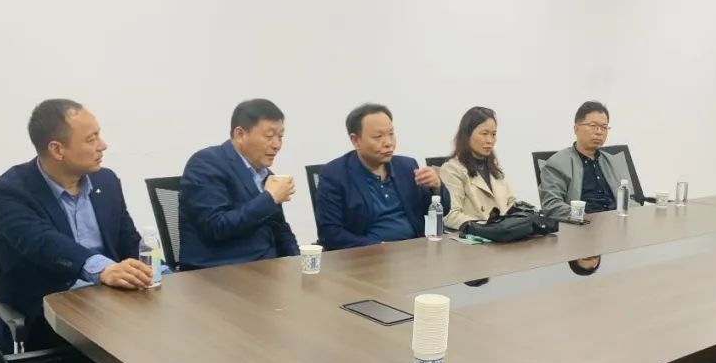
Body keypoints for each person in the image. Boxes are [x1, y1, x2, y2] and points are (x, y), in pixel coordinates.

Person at [0, 99, 153, 353]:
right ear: (57, 149)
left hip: (114, 307)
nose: (103, 145)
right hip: (49, 317)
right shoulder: (6, 192)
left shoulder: (105, 181)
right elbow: (43, 242)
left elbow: (127, 239)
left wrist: (157, 272)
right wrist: (103, 269)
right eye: (91, 139)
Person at [179, 99, 300, 269]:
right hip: (219, 270)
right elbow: (216, 227)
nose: (277, 145)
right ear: (240, 134)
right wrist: (269, 198)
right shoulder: (206, 163)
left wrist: (297, 261)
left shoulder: (266, 175)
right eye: (269, 136)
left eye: (280, 136)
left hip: (265, 268)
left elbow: (280, 229)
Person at [316, 104, 450, 250]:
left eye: (391, 134)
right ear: (355, 140)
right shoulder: (335, 175)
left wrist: (436, 187)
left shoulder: (407, 167)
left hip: (414, 251)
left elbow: (438, 211)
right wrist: (379, 248)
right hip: (367, 255)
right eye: (378, 137)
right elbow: (330, 234)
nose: (388, 143)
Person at [538, 101, 632, 220]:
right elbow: (552, 205)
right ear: (576, 128)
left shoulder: (612, 161)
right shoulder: (557, 163)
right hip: (582, 224)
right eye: (593, 125)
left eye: (604, 127)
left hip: (615, 221)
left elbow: (628, 200)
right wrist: (583, 218)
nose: (599, 132)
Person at [438, 107, 518, 231]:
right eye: (484, 134)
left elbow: (510, 202)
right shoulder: (451, 169)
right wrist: (487, 228)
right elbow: (451, 215)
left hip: (503, 234)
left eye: (493, 134)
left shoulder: (494, 167)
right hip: (476, 237)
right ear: (467, 135)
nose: (490, 140)